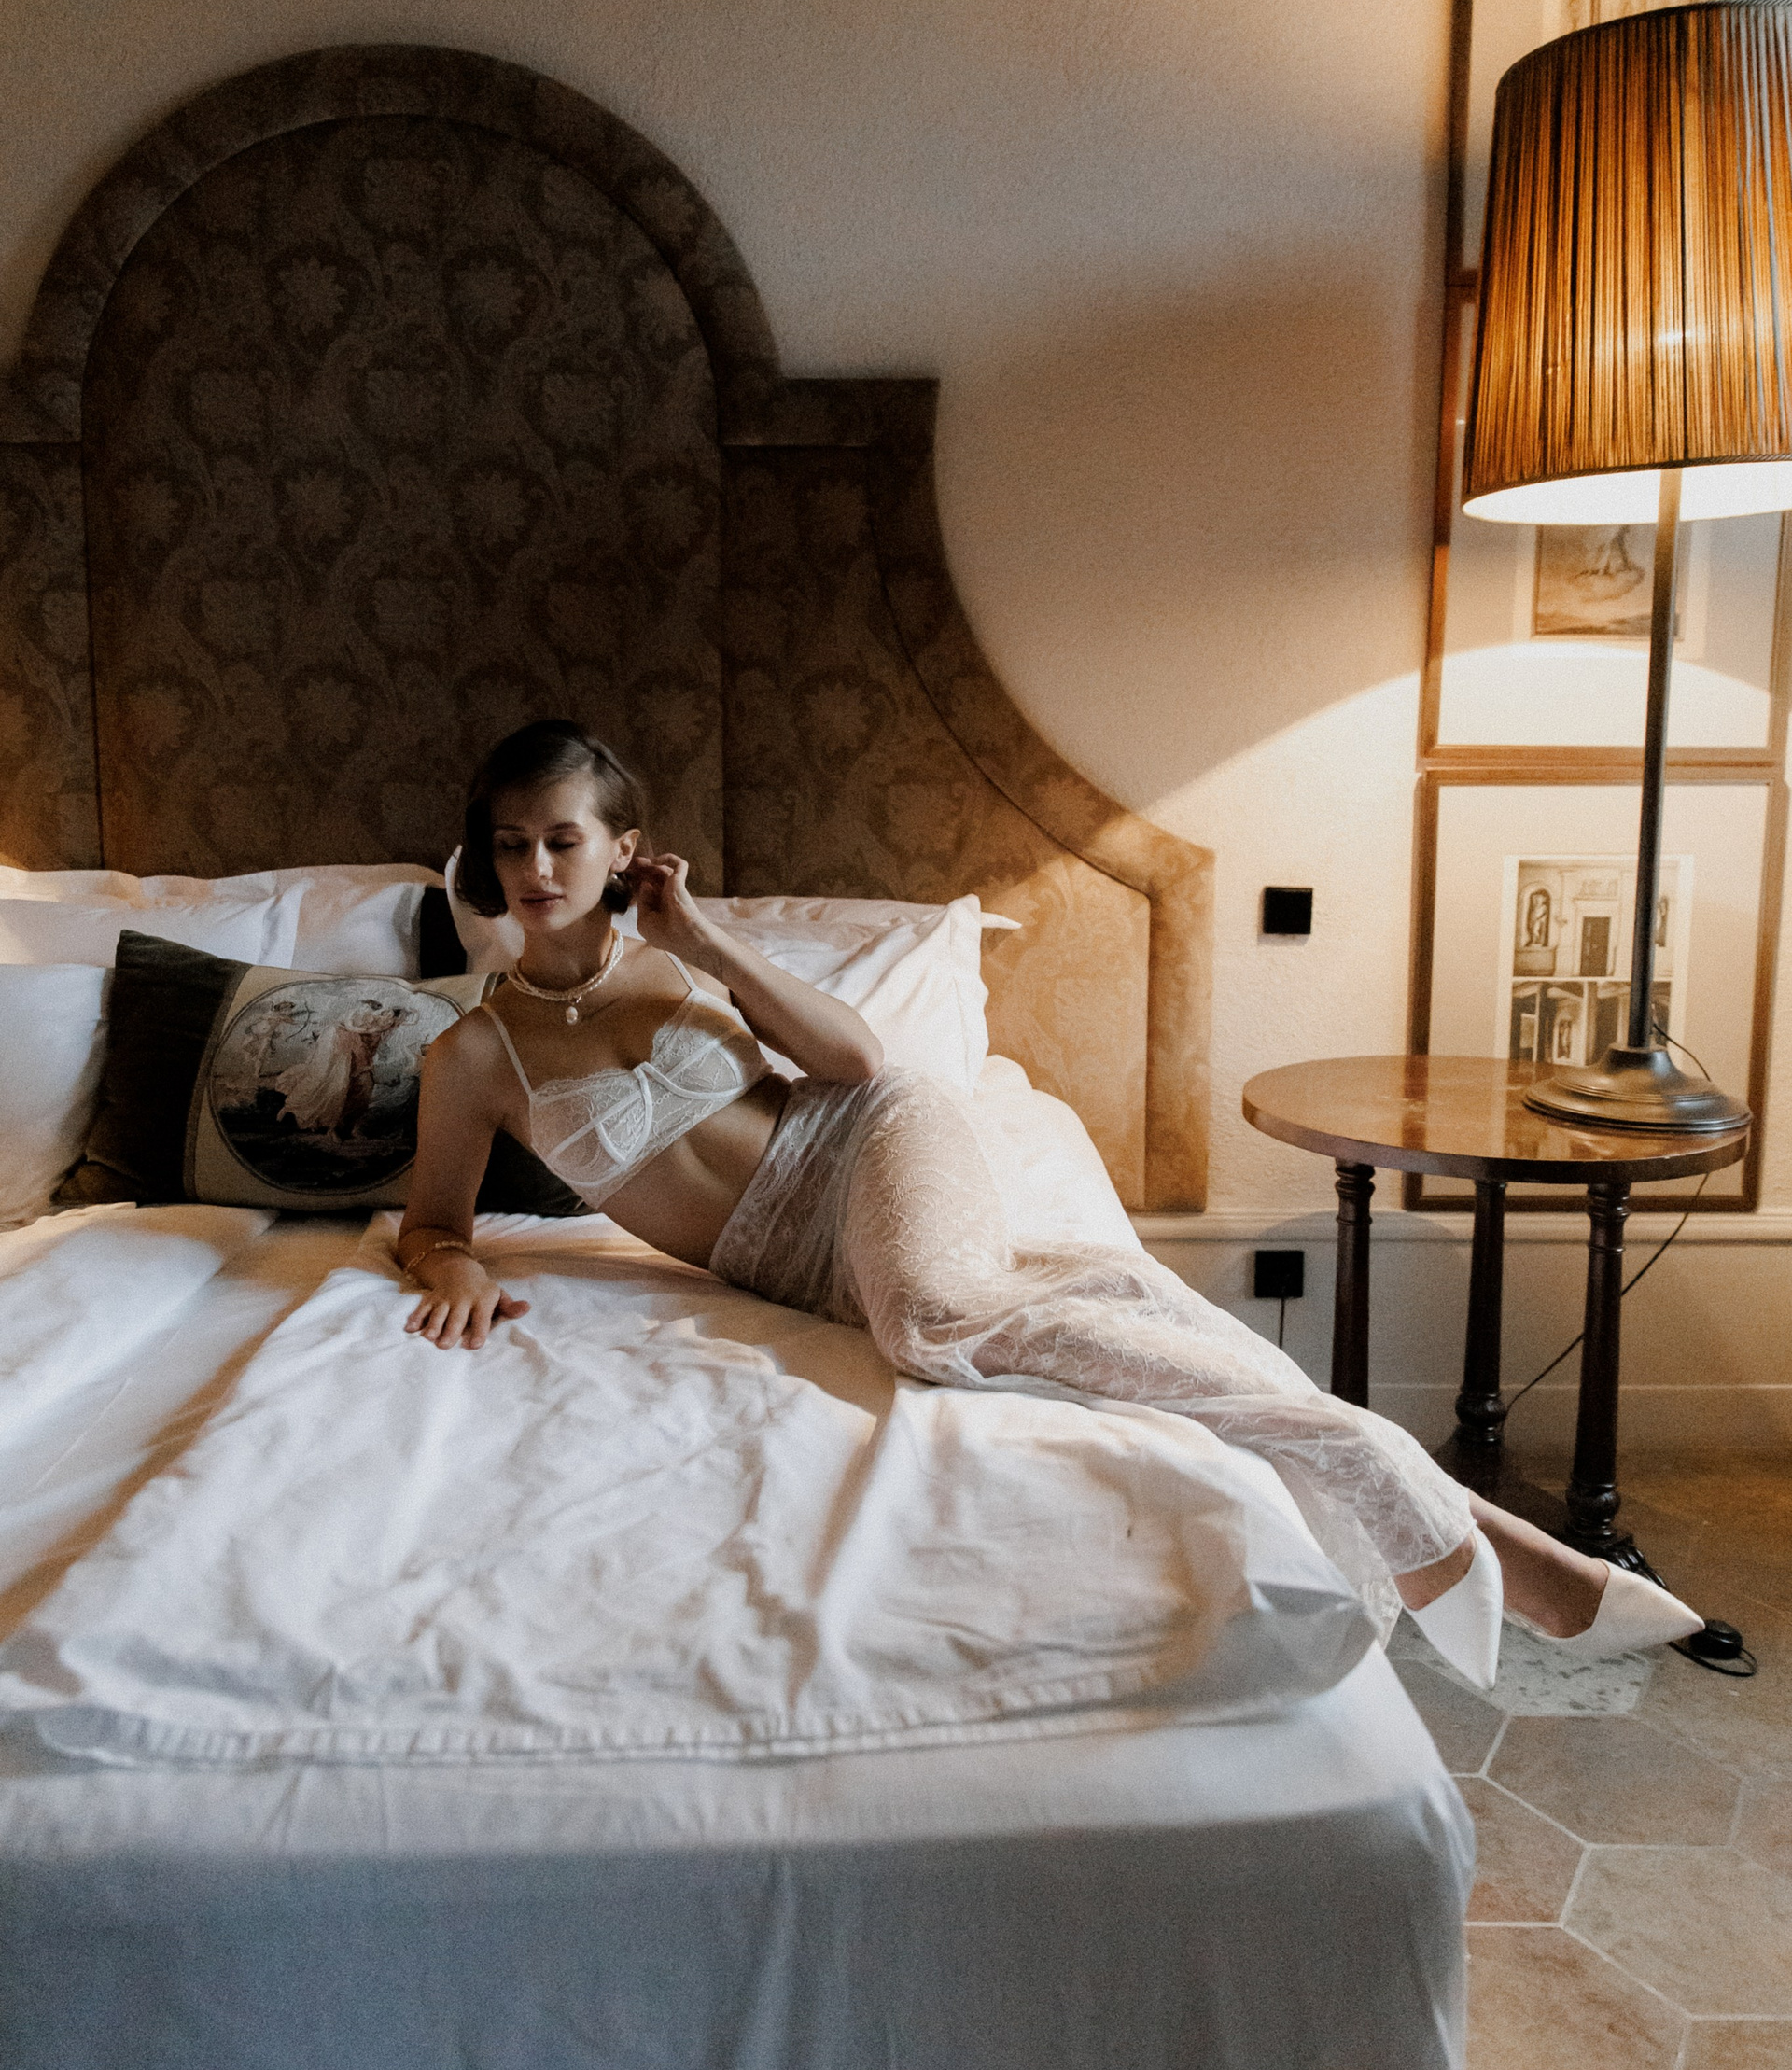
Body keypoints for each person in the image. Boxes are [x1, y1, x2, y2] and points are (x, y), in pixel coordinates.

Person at [399, 720, 1703, 1689]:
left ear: (624, 850)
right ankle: (1504, 1545)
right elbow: (433, 1224)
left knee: (934, 1324)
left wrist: (704, 941)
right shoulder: (474, 1055)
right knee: (1056, 1312)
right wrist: (450, 1265)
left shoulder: (684, 965)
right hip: (801, 1263)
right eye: (511, 842)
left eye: (563, 837)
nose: (536, 865)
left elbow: (856, 1063)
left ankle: (1390, 1489)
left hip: (867, 1142)